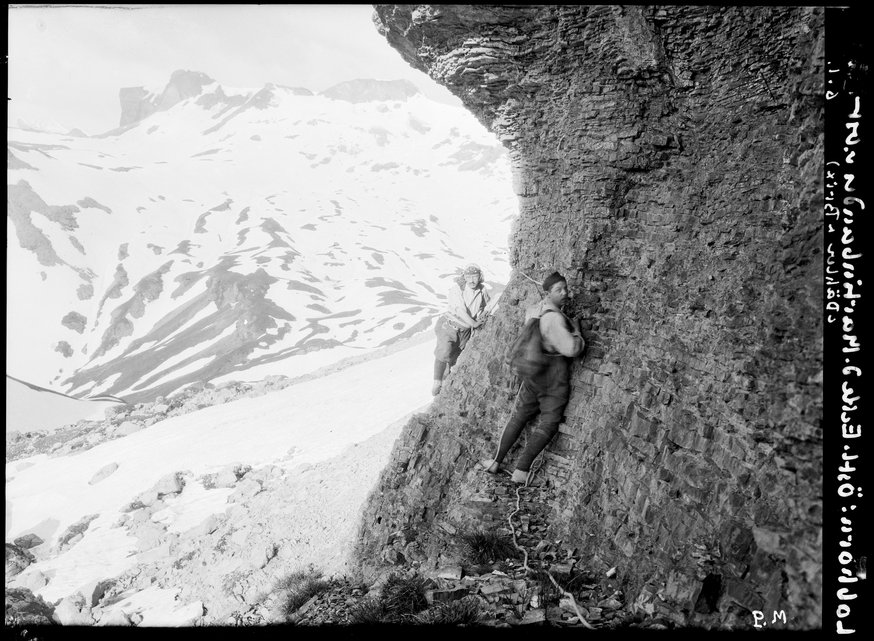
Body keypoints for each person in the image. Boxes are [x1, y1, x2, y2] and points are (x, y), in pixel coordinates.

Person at [480, 271, 584, 483]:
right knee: (550, 421)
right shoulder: (554, 318)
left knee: (520, 415)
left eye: (566, 288)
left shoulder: (535, 311)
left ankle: (496, 461)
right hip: (553, 376)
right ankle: (521, 471)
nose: (565, 293)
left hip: (533, 373)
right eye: (559, 290)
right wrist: (577, 332)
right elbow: (572, 349)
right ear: (548, 293)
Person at [432, 264, 490, 395]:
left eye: (474, 277)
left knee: (455, 359)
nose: (471, 280)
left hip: (465, 330)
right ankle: (437, 382)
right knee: (444, 351)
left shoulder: (482, 290)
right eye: (468, 277)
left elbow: (487, 304)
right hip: (450, 325)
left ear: (479, 277)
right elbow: (460, 309)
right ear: (464, 277)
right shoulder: (457, 288)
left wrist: (484, 313)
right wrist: (474, 323)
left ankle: (445, 388)